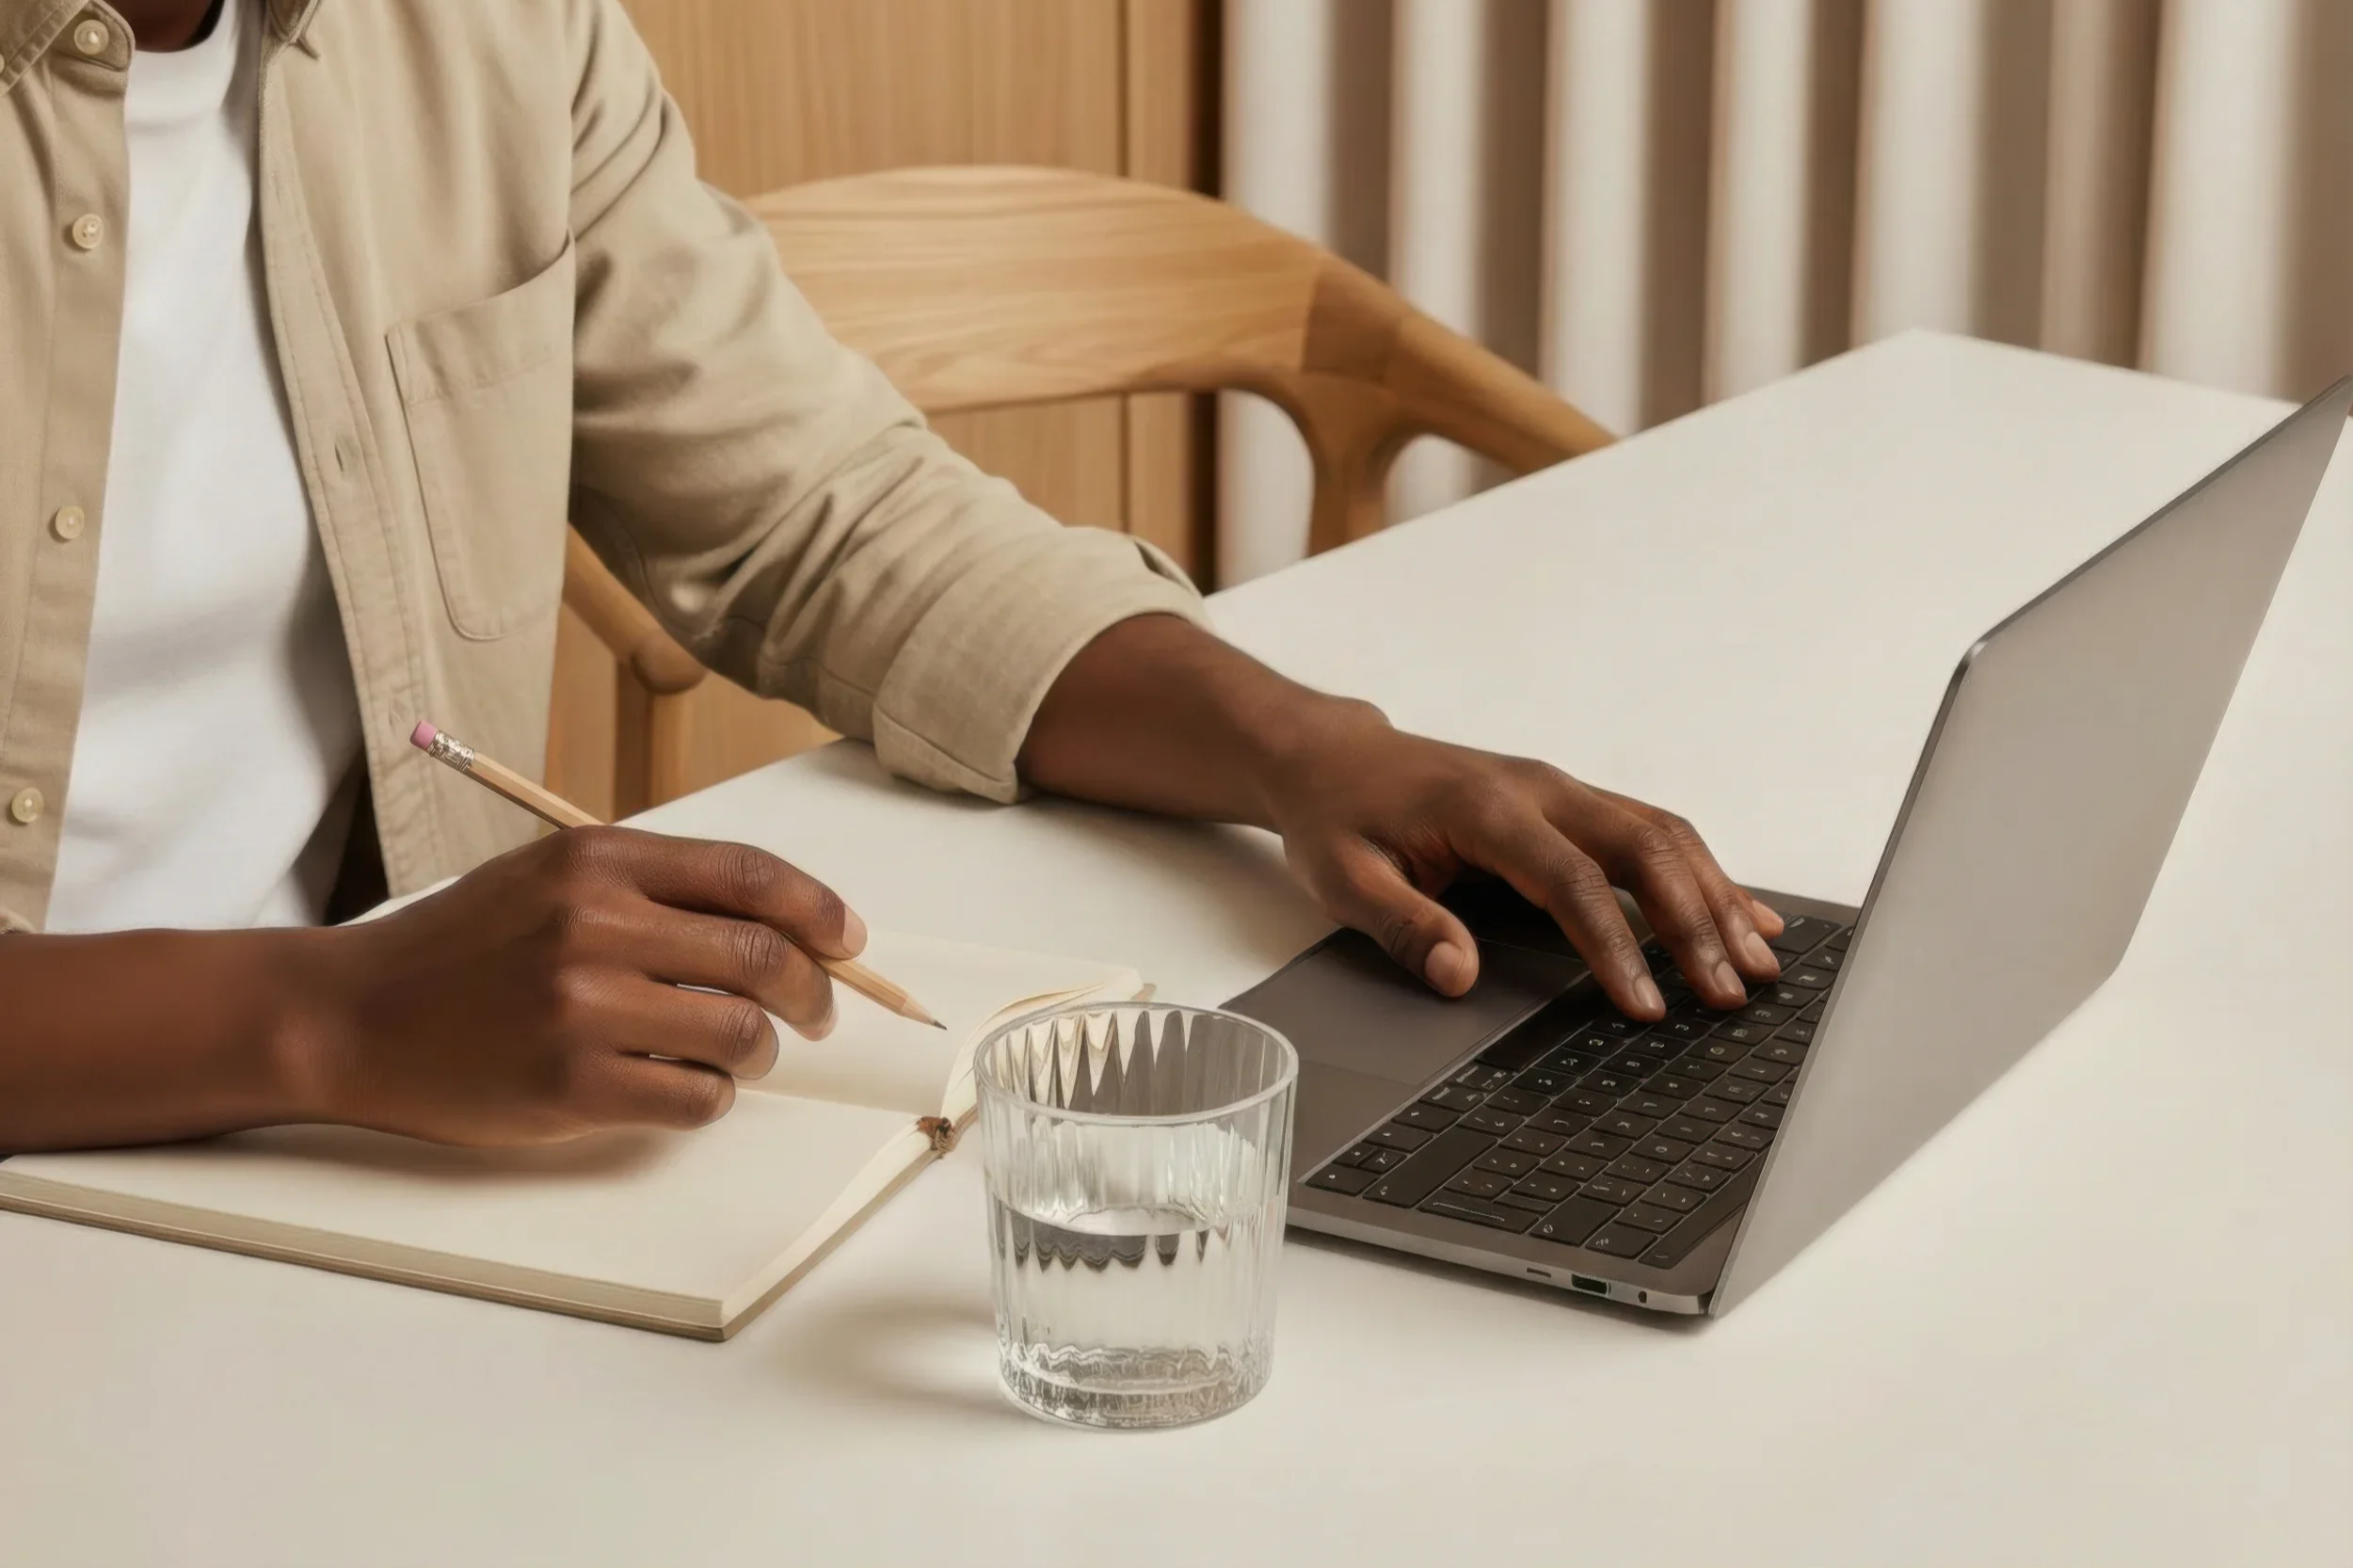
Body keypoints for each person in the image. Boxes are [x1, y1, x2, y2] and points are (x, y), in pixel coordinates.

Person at [0, 0, 1784, 1153]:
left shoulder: (489, 29)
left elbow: (821, 510)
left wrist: (1307, 750)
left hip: (353, 1171)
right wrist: (325, 1014)